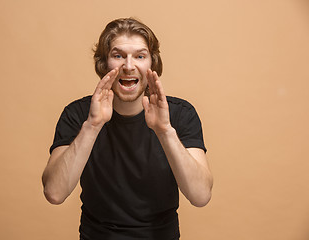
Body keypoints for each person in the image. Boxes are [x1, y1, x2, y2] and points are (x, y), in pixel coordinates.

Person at [42, 17, 213, 240]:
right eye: (118, 55)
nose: (129, 66)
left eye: (140, 56)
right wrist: (92, 126)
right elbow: (54, 193)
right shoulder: (77, 115)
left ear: (152, 64)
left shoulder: (181, 115)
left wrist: (164, 131)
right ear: (104, 64)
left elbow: (200, 196)